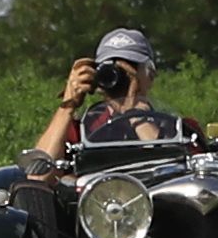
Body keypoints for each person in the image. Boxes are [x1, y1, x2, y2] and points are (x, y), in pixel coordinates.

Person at [37, 28, 205, 158]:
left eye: (129, 68)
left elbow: (185, 171)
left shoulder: (178, 130)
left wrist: (135, 114)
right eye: (110, 70)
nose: (118, 78)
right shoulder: (83, 129)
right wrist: (68, 105)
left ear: (150, 76)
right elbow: (39, 174)